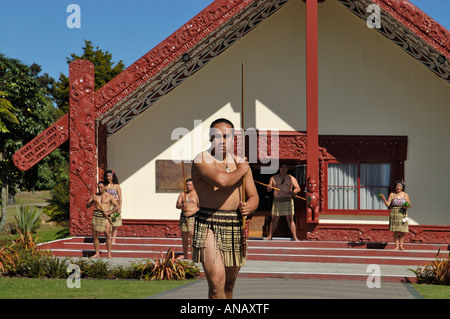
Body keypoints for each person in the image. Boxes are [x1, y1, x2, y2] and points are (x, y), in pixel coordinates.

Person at [191, 118, 259, 299]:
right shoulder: (201, 160)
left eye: (226, 136)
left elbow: (254, 196)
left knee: (229, 285)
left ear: (233, 138)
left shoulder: (240, 163)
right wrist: (242, 170)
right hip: (208, 223)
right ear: (210, 137)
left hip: (234, 223)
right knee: (216, 284)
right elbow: (222, 181)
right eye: (217, 136)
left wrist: (250, 206)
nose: (222, 140)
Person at [265, 164, 301, 241]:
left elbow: (298, 188)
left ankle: (295, 237)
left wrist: (293, 192)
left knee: (290, 219)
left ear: (287, 168)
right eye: (282, 167)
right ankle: (269, 236)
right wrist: (269, 188)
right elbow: (269, 189)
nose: (284, 169)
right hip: (277, 201)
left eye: (285, 167)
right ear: (279, 168)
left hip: (287, 200)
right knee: (274, 219)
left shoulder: (291, 178)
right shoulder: (274, 178)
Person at [86, 181, 120, 258]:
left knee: (107, 235)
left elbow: (117, 206)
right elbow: (87, 206)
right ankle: (97, 253)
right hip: (96, 215)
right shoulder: (94, 196)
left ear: (105, 187)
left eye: (101, 187)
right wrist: (92, 202)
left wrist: (109, 212)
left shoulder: (110, 196)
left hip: (105, 217)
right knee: (95, 236)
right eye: (98, 187)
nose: (100, 189)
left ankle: (109, 253)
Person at [380, 180, 411, 250]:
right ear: (395, 187)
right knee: (396, 231)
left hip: (402, 213)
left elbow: (409, 205)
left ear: (402, 187)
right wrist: (384, 199)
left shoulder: (405, 195)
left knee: (402, 230)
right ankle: (396, 246)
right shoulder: (392, 194)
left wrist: (406, 206)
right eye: (397, 186)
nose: (398, 187)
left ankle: (401, 246)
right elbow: (388, 204)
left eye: (400, 186)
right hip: (394, 213)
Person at [176, 178, 199, 259]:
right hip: (183, 216)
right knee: (184, 235)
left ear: (193, 185)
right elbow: (177, 205)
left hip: (192, 216)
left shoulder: (196, 194)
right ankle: (185, 254)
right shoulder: (183, 194)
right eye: (187, 185)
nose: (188, 186)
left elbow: (200, 207)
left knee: (192, 235)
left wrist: (191, 213)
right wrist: (182, 205)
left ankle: (193, 255)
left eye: (190, 185)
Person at [104, 170, 122, 244]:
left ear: (112, 176)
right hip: (107, 206)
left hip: (115, 206)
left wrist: (119, 207)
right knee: (107, 223)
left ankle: (113, 239)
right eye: (107, 176)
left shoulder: (117, 186)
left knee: (115, 223)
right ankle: (107, 239)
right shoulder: (105, 186)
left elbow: (120, 197)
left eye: (110, 176)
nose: (108, 178)